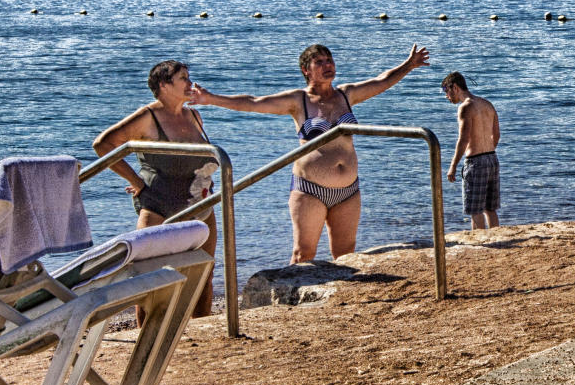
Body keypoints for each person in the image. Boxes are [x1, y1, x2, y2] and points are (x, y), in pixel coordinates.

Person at [193, 43, 430, 263]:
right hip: (309, 190)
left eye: (330, 60)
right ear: (306, 70)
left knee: (346, 254)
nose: (328, 65)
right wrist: (210, 99)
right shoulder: (298, 100)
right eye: (320, 62)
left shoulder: (346, 94)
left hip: (348, 190)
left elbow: (381, 81)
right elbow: (253, 102)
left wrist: (408, 65)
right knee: (303, 253)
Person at [91, 60, 220, 318]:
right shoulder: (148, 117)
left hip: (200, 205)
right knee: (150, 281)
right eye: (183, 78)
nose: (190, 83)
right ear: (164, 85)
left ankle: (202, 331)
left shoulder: (193, 115)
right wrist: (136, 181)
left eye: (188, 77)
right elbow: (103, 145)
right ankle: (145, 336)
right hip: (160, 208)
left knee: (203, 274)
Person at [442, 71, 501, 229]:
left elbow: (464, 139)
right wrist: (487, 151)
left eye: (446, 90)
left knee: (476, 210)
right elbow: (496, 135)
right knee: (490, 209)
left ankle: (480, 240)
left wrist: (453, 166)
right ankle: (496, 236)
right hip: (492, 159)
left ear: (455, 88)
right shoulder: (487, 104)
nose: (446, 96)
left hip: (476, 162)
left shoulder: (465, 107)